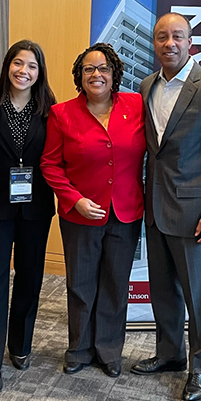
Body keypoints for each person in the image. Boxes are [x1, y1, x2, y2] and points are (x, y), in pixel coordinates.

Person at [130, 13, 201, 401]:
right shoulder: (147, 86)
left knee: (199, 298)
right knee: (162, 291)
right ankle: (171, 354)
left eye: (177, 36)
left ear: (190, 41)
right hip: (157, 209)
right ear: (155, 43)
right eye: (162, 36)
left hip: (199, 216)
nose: (169, 43)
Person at [40, 42, 145, 378]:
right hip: (81, 216)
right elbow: (50, 164)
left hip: (126, 211)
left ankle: (110, 350)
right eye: (89, 69)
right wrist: (75, 199)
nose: (96, 74)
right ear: (79, 76)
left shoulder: (136, 106)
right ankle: (80, 348)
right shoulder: (62, 114)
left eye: (103, 68)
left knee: (116, 284)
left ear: (115, 74)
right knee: (81, 284)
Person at [0, 40, 56, 395]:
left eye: (32, 66)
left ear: (40, 73)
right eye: (18, 63)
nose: (24, 71)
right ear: (7, 65)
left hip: (36, 206)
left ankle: (20, 345)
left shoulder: (51, 110)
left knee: (30, 276)